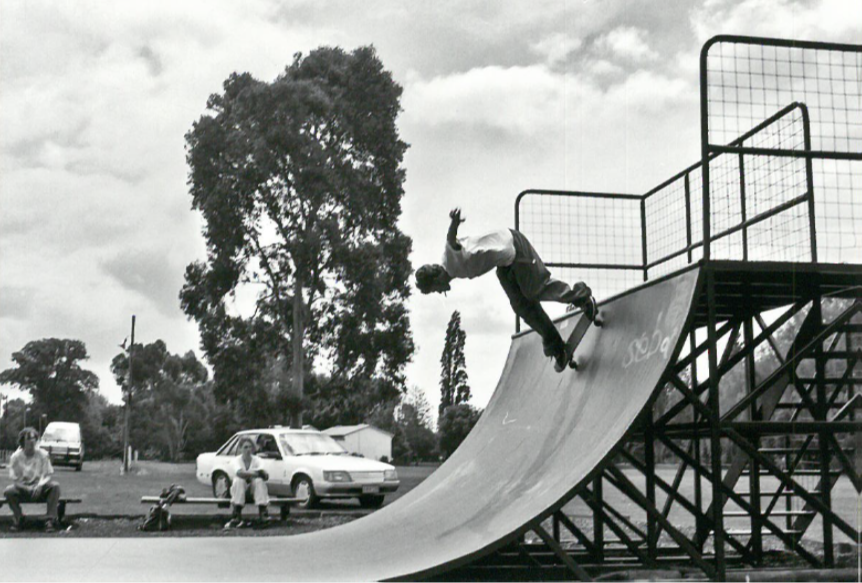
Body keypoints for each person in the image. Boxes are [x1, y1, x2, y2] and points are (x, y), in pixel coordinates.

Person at [415, 208, 597, 372]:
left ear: (436, 278)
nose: (439, 292)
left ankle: (581, 296)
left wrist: (454, 223)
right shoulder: (451, 266)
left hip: (514, 247)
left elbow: (451, 241)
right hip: (504, 264)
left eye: (435, 289)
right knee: (521, 306)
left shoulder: (449, 261)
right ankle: (556, 347)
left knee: (535, 289)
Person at [4, 427, 62, 532]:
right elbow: (15, 480)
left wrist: (39, 485)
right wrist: (26, 488)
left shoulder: (43, 454)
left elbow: (47, 475)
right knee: (8, 491)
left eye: (34, 438)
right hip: (23, 488)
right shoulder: (15, 457)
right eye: (28, 439)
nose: (32, 441)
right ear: (22, 441)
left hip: (40, 487)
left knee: (55, 486)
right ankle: (19, 518)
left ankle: (50, 520)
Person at [224, 436, 270, 528]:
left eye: (250, 447)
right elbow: (239, 473)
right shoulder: (236, 460)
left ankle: (263, 514)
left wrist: (249, 474)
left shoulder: (258, 460)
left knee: (259, 481)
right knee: (239, 481)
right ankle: (236, 515)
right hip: (239, 491)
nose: (248, 450)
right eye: (245, 447)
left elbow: (265, 475)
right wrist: (256, 473)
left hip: (254, 491)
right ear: (240, 449)